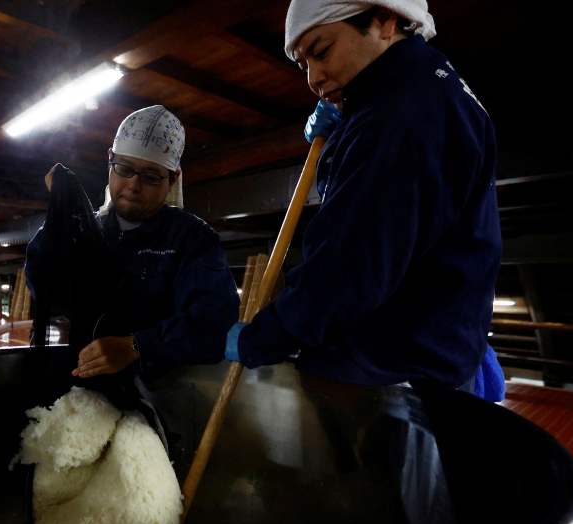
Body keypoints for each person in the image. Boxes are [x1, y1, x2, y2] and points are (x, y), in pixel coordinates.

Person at [226, 0, 503, 398]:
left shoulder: (401, 112)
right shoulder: (425, 86)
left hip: (392, 373)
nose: (313, 79)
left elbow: (350, 263)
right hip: (430, 349)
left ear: (385, 20)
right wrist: (347, 129)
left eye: (320, 51)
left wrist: (270, 334)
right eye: (303, 65)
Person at [26, 105, 240, 380]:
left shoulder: (190, 238)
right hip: (81, 383)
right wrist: (61, 218)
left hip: (160, 394)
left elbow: (215, 324)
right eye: (124, 169)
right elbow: (45, 287)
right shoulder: (84, 229)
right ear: (110, 160)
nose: (133, 186)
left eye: (150, 177)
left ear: (172, 179)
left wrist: (137, 346)